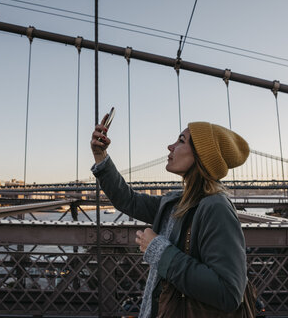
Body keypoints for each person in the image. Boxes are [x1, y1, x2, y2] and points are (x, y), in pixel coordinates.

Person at [91, 117, 250, 318]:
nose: (170, 146)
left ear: (201, 155)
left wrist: (159, 249)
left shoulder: (215, 207)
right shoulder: (177, 202)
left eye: (181, 141)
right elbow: (128, 200)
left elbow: (229, 293)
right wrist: (101, 156)